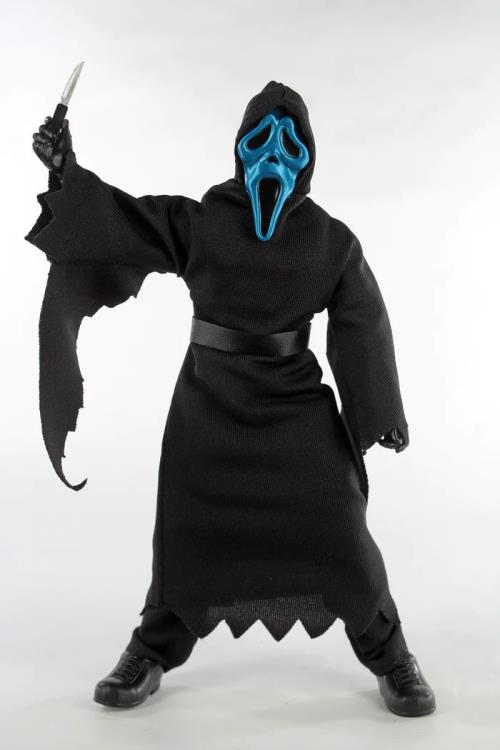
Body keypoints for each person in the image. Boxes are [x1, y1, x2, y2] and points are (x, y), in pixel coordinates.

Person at [27, 81, 435, 717]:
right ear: (240, 148)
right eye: (261, 139)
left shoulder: (329, 241)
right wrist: (65, 171)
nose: (274, 154)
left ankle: (390, 654)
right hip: (208, 413)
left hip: (296, 415)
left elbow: (362, 320)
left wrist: (380, 411)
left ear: (308, 160)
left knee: (343, 532)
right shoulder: (203, 222)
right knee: (185, 537)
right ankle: (152, 648)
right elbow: (122, 222)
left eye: (290, 145)